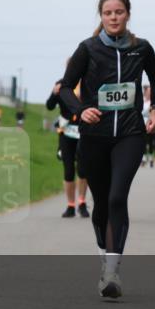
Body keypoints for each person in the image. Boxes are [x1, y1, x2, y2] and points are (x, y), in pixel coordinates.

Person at [59, 0, 155, 299]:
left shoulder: (141, 48)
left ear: (128, 14)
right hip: (94, 137)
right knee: (102, 203)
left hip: (130, 134)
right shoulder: (88, 49)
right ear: (101, 17)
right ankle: (105, 252)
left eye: (119, 12)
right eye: (108, 13)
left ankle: (112, 270)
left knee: (118, 198)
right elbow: (65, 87)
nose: (114, 17)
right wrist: (80, 110)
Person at [47, 79, 89, 218]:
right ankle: (70, 205)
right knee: (68, 169)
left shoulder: (88, 83)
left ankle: (82, 203)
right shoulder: (62, 84)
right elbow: (50, 106)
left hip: (83, 132)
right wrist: (54, 93)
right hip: (66, 132)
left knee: (83, 170)